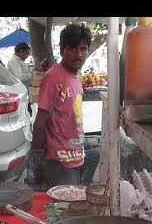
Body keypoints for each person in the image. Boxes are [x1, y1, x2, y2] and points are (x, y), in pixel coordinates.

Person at [30, 24, 100, 189]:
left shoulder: (75, 77)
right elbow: (40, 123)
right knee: (64, 210)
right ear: (62, 50)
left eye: (83, 49)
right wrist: (36, 161)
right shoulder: (54, 77)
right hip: (59, 161)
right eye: (73, 48)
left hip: (74, 155)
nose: (79, 54)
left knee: (94, 158)